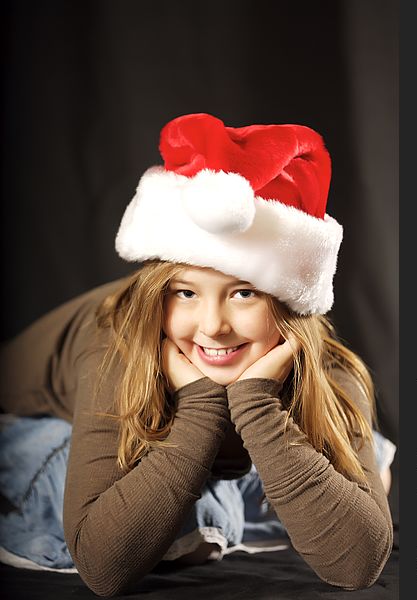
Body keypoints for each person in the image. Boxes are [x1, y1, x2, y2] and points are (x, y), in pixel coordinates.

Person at [0, 113, 395, 596]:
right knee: (142, 515)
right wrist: (202, 407)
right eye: (185, 293)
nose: (212, 325)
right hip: (36, 419)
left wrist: (258, 405)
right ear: (159, 295)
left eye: (244, 293)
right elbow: (102, 568)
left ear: (290, 304)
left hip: (224, 435)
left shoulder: (329, 370)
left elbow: (357, 566)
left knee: (364, 457)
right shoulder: (118, 348)